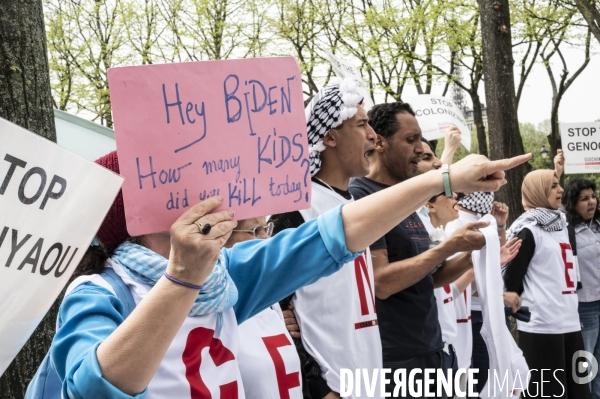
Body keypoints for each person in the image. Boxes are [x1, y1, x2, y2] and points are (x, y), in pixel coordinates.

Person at [50, 141, 529, 397]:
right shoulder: (98, 293)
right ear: (140, 217)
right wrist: (181, 277)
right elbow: (96, 386)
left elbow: (334, 234)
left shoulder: (226, 277)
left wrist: (442, 179)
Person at [348, 102, 493, 397]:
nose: (419, 149)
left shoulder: (407, 197)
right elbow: (382, 282)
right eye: (410, 140)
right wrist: (447, 247)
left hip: (431, 348)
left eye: (420, 139)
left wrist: (470, 254)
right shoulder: (361, 196)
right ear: (379, 143)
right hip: (396, 359)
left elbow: (430, 278)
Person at [270, 77, 381, 398]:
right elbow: (276, 307)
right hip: (333, 386)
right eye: (362, 125)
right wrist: (317, 385)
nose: (373, 135)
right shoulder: (297, 210)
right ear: (330, 137)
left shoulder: (351, 203)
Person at [504, 170, 590, 398]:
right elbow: (511, 281)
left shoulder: (563, 224)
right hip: (542, 328)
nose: (560, 189)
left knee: (580, 392)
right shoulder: (527, 229)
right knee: (548, 394)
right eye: (553, 186)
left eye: (558, 184)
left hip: (571, 323)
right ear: (537, 192)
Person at [226, 217, 304, 399]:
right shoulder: (210, 313)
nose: (267, 239)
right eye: (255, 231)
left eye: (266, 229)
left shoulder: (270, 302)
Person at [563, 178, 600, 398]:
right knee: (585, 362)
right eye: (584, 199)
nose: (591, 202)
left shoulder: (597, 226)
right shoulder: (567, 232)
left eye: (593, 197)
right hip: (584, 306)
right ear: (572, 203)